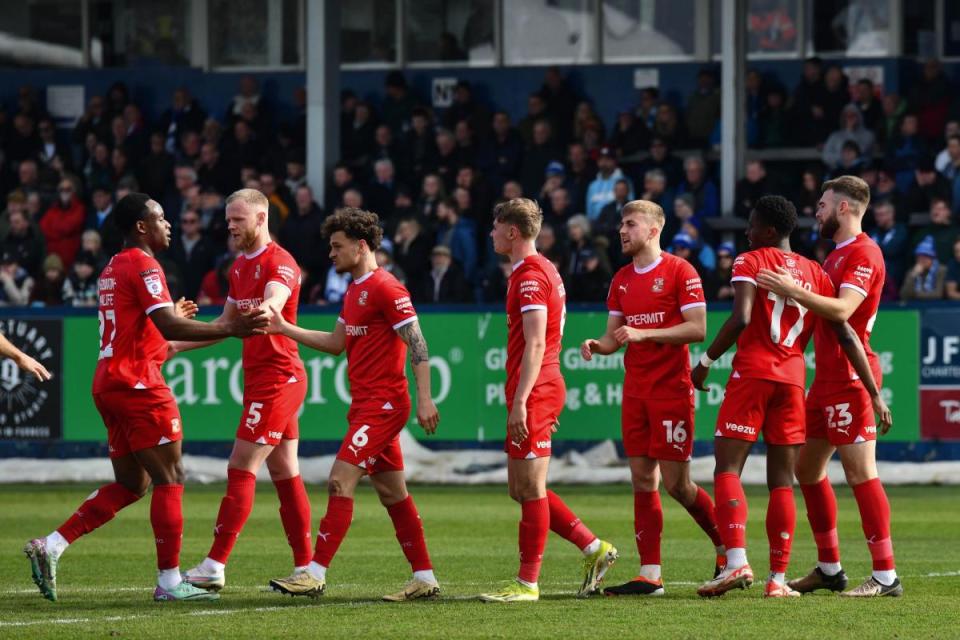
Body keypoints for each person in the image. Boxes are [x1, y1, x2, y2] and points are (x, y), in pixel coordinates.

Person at [23, 193, 266, 603]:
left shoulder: (111, 268)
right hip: (139, 386)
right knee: (171, 478)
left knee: (133, 483)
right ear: (141, 227)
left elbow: (154, 331)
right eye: (160, 217)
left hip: (109, 384)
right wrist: (231, 328)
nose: (167, 224)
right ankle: (170, 583)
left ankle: (53, 544)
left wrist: (193, 323)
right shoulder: (143, 262)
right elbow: (168, 324)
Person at [692, 194, 888, 599]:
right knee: (787, 478)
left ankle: (736, 562)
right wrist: (876, 391)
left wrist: (707, 360)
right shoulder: (818, 270)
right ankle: (779, 579)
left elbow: (742, 317)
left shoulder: (752, 260)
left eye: (750, 225)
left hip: (754, 373)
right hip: (796, 379)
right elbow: (842, 329)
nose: (746, 232)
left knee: (728, 469)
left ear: (766, 230)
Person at [266, 207, 442, 602]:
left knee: (338, 480)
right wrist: (283, 328)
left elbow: (419, 344)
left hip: (384, 406)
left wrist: (425, 399)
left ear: (360, 246)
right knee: (393, 494)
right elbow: (335, 344)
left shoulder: (387, 288)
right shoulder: (354, 290)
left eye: (337, 246)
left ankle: (313, 573)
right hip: (364, 406)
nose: (330, 254)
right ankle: (425, 577)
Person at [755, 176, 901, 597]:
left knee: (860, 472)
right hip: (826, 379)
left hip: (853, 379)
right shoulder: (836, 255)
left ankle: (886, 575)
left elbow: (842, 311)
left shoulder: (864, 253)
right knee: (807, 468)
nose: (815, 211)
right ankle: (829, 567)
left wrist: (792, 289)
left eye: (822, 204)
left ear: (843, 208)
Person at [580, 200, 724, 596]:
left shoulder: (681, 271)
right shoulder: (622, 279)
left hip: (670, 391)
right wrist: (598, 344)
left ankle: (726, 547)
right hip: (636, 393)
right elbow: (614, 336)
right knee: (643, 480)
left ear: (654, 228)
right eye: (620, 225)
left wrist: (645, 334)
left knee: (678, 485)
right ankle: (651, 574)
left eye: (630, 224)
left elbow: (697, 329)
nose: (622, 231)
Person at [479, 198, 617, 603]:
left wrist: (524, 401)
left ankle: (526, 584)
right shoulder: (539, 270)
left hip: (536, 387)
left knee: (532, 487)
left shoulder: (530, 276)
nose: (490, 233)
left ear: (512, 231)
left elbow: (537, 342)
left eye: (495, 225)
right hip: (535, 386)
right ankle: (594, 548)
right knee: (518, 488)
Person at [179, 189, 313, 593]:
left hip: (279, 379)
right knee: (285, 470)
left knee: (240, 465)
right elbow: (225, 323)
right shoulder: (238, 267)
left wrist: (269, 308)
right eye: (229, 219)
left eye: (238, 219)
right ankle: (307, 567)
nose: (230, 226)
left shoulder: (281, 262)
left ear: (261, 218)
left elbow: (277, 298)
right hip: (261, 378)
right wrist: (174, 345)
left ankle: (214, 564)